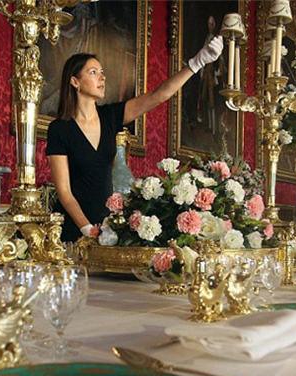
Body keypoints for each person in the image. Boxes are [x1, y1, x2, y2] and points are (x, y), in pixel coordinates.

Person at [46, 36, 223, 241]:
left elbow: (158, 95)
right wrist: (86, 228)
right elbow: (64, 192)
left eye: (102, 72)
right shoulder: (59, 129)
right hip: (74, 229)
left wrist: (196, 63)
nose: (102, 78)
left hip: (106, 227)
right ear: (75, 81)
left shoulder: (110, 117)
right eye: (93, 72)